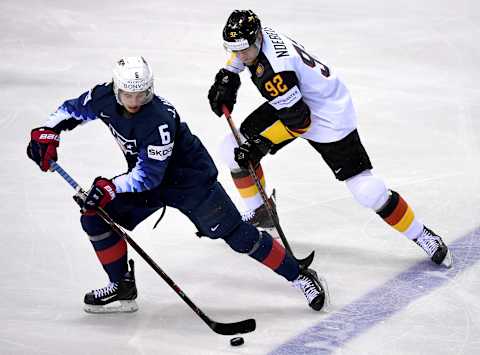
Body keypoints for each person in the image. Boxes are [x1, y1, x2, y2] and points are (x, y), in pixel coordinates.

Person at [26, 56, 329, 314]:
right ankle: (121, 286)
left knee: (239, 237)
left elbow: (149, 175)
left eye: (142, 95)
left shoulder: (157, 119)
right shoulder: (103, 96)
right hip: (148, 179)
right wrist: (47, 132)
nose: (134, 102)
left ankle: (299, 275)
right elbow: (71, 109)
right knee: (94, 217)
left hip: (189, 181)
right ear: (117, 89)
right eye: (128, 95)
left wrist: (110, 187)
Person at [207, 10, 452, 268]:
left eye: (244, 49)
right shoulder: (258, 39)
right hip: (295, 100)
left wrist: (260, 144)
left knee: (368, 191)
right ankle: (261, 213)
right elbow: (241, 57)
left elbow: (300, 122)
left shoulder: (275, 73)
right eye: (234, 48)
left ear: (256, 38)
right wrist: (227, 77)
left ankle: (422, 234)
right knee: (232, 148)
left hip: (328, 116)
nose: (240, 55)